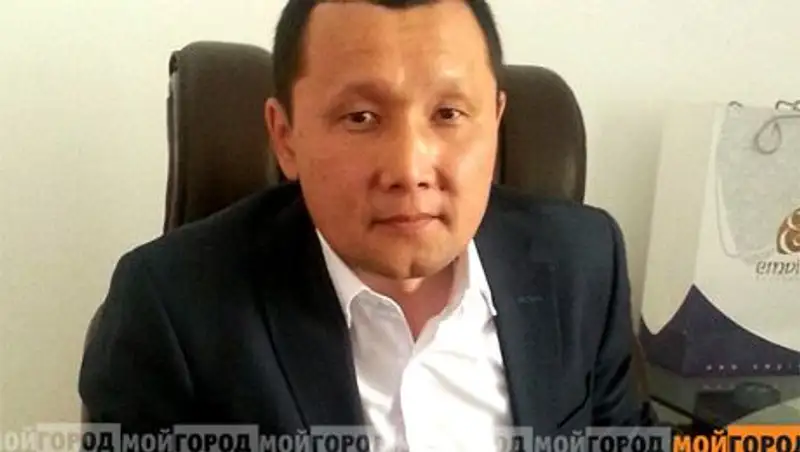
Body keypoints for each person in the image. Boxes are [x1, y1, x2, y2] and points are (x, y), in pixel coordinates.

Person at [79, 0, 655, 447]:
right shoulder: (172, 310)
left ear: (495, 122)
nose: (409, 170)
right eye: (360, 117)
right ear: (285, 137)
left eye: (448, 113)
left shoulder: (583, 263)